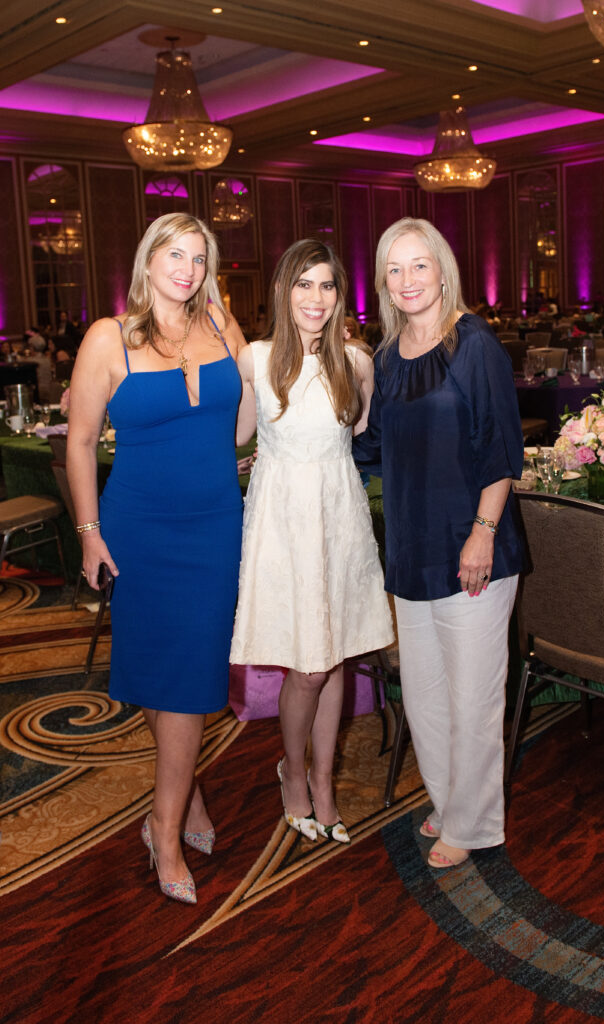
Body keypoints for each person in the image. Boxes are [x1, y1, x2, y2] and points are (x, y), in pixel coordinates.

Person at [67, 212, 252, 904]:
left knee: (191, 672)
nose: (187, 268)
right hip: (138, 527)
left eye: (200, 258)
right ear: (148, 261)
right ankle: (171, 823)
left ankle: (170, 813)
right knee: (158, 671)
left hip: (212, 526)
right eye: (175, 254)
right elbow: (81, 441)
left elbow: (241, 424)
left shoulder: (222, 326)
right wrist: (89, 531)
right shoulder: (107, 338)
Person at [352, 217, 524, 870]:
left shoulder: (473, 346)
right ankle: (450, 801)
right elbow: (365, 445)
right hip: (410, 550)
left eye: (418, 265)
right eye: (393, 270)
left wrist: (481, 535)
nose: (406, 281)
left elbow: (501, 453)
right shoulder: (386, 358)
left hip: (472, 549)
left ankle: (474, 825)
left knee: (473, 698)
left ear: (443, 270)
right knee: (422, 695)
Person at [230, 239, 393, 844]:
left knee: (337, 653)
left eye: (326, 286)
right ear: (283, 292)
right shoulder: (255, 358)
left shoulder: (358, 361)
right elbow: (240, 436)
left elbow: (359, 432)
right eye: (304, 285)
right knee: (307, 666)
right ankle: (292, 773)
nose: (316, 298)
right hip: (281, 524)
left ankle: (324, 780)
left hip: (339, 517)